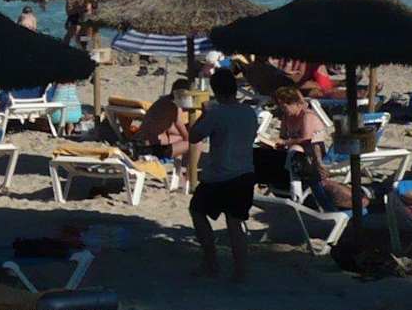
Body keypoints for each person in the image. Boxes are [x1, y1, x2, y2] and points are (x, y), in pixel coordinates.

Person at [186, 69, 257, 281]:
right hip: (244, 172)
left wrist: (204, 114)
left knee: (197, 211)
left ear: (216, 91)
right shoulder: (248, 112)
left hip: (221, 175)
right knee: (235, 224)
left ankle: (211, 261)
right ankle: (240, 271)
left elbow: (194, 136)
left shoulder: (217, 113)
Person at [253, 85, 327, 189]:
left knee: (294, 150)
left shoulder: (307, 115)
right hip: (295, 152)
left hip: (312, 154)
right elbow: (283, 137)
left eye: (285, 106)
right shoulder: (287, 116)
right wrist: (271, 143)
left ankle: (293, 185)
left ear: (295, 103)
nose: (283, 109)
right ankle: (265, 181)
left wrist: (284, 143)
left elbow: (306, 138)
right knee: (260, 150)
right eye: (281, 106)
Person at [134, 79, 192, 158]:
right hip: (148, 148)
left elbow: (170, 128)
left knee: (179, 138)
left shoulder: (163, 101)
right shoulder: (174, 106)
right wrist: (189, 138)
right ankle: (189, 163)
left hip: (139, 140)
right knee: (192, 144)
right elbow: (178, 123)